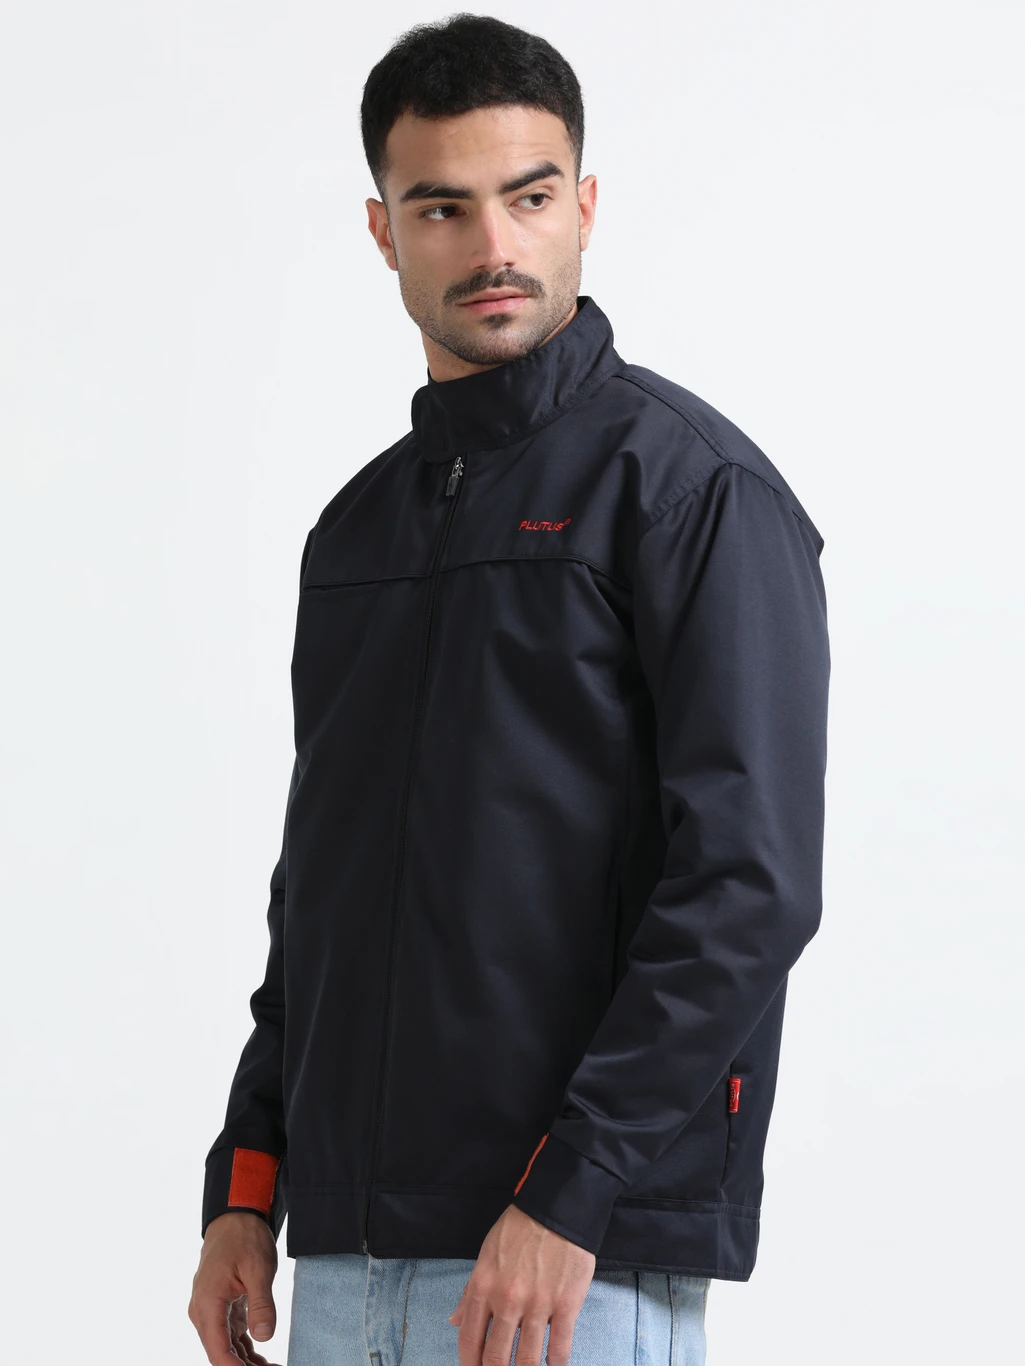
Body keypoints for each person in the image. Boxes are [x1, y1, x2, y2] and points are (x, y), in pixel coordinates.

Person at [187, 13, 831, 1366]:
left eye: (528, 198)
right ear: (385, 233)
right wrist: (249, 1181)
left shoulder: (691, 493)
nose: (493, 246)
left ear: (584, 207)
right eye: (444, 207)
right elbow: (324, 893)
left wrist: (574, 1186)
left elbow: (747, 883)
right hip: (345, 1261)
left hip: (566, 1266)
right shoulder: (358, 534)